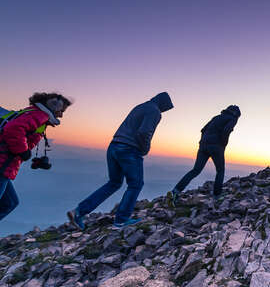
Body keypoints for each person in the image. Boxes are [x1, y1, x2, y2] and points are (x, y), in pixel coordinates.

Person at [67, 92, 173, 230]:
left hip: (114, 146)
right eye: (166, 108)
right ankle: (121, 220)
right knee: (136, 184)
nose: (164, 111)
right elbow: (144, 132)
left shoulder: (141, 107)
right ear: (163, 104)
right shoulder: (154, 111)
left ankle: (79, 211)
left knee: (114, 183)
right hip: (129, 149)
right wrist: (144, 149)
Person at [0, 92, 72, 221]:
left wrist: (34, 159)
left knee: (10, 203)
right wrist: (23, 151)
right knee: (8, 203)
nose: (61, 115)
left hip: (5, 165)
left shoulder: (33, 112)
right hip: (2, 165)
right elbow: (13, 129)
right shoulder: (40, 115)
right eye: (61, 111)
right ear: (53, 108)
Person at [167, 105, 241, 207]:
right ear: (236, 114)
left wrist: (203, 142)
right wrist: (222, 145)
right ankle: (216, 195)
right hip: (216, 147)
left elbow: (203, 130)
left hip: (203, 146)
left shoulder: (216, 117)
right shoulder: (233, 118)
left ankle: (175, 191)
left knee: (195, 170)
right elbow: (226, 131)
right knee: (220, 170)